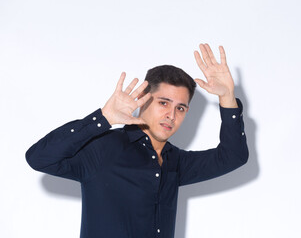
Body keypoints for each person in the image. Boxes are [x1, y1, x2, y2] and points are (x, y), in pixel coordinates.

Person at [25, 43, 249, 238]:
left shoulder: (175, 162)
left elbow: (233, 156)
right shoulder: (104, 148)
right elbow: (39, 158)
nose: (171, 115)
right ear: (143, 100)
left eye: (180, 108)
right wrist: (102, 118)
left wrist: (227, 98)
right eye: (163, 103)